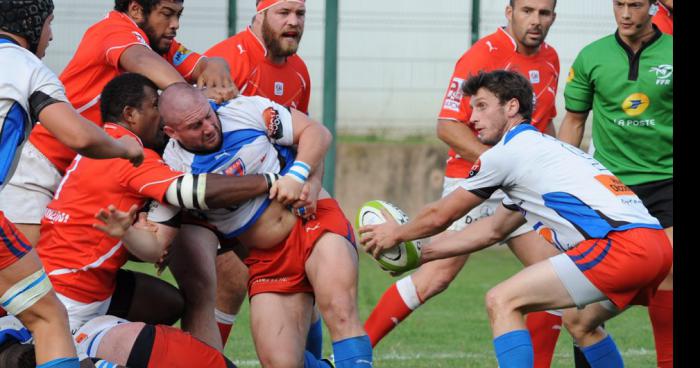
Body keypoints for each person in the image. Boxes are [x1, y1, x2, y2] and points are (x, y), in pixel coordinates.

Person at [360, 70, 672, 368]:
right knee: (580, 323)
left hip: (622, 248)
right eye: (471, 109)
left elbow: (442, 214)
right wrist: (423, 254)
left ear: (512, 107)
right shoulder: (541, 150)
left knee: (502, 300)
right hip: (656, 247)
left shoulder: (508, 153)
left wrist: (396, 234)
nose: (472, 119)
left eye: (482, 107)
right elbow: (493, 230)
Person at [363, 0, 563, 365]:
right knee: (435, 277)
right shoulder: (481, 55)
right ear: (509, 11)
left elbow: (543, 123)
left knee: (554, 275)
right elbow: (448, 125)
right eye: (527, 11)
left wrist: (553, 166)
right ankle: (351, 355)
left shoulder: (552, 60)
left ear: (554, 16)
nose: (535, 21)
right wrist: (497, 165)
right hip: (474, 179)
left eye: (544, 13)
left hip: (522, 186)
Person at [143, 84, 371, 367]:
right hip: (268, 260)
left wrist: (301, 177)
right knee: (281, 362)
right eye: (195, 126)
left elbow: (316, 133)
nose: (208, 127)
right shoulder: (173, 168)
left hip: (311, 224)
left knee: (341, 311)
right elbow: (157, 235)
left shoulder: (244, 110)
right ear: (171, 133)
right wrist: (138, 236)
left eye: (207, 116)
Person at [34, 73, 275, 336]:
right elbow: (197, 192)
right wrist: (272, 180)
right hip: (74, 293)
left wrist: (150, 232)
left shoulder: (107, 144)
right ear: (130, 114)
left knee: (168, 304)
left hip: (59, 275)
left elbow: (152, 248)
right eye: (154, 106)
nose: (162, 116)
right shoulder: (132, 158)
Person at [0, 0, 237, 247]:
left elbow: (205, 66)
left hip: (81, 179)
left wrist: (216, 64)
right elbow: (140, 59)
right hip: (41, 168)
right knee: (25, 274)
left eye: (179, 15)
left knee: (51, 274)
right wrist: (189, 98)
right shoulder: (114, 30)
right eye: (167, 14)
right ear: (135, 9)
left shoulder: (158, 43)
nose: (175, 24)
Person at [0, 1, 144, 367]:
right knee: (49, 318)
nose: (52, 36)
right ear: (33, 25)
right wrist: (123, 147)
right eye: (50, 24)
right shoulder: (27, 67)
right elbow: (78, 135)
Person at [558, 0, 673, 366]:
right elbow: (574, 122)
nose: (625, 14)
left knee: (669, 276)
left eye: (635, 5)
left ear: (653, 7)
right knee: (582, 308)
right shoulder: (592, 56)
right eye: (619, 4)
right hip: (610, 192)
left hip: (667, 183)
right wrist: (558, 178)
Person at [196, 0, 316, 350]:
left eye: (300, 14)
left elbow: (303, 135)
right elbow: (190, 129)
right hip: (220, 198)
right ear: (260, 14)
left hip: (274, 196)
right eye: (284, 13)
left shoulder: (300, 72)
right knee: (229, 282)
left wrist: (307, 183)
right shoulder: (227, 59)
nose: (293, 22)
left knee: (310, 279)